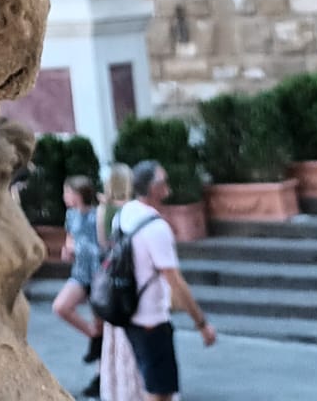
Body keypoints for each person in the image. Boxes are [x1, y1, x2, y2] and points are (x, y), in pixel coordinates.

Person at [97, 160, 216, 401]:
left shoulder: (124, 215)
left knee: (151, 385)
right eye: (163, 182)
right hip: (152, 320)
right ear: (154, 188)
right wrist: (201, 323)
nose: (167, 187)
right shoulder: (156, 227)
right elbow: (175, 281)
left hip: (130, 313)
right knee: (160, 392)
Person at [49, 172, 104, 376]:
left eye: (67, 191)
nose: (64, 195)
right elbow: (70, 239)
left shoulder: (97, 214)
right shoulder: (71, 215)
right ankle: (92, 335)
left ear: (78, 194)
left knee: (102, 324)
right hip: (80, 273)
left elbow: (102, 244)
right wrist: (67, 249)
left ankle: (101, 376)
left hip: (99, 275)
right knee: (61, 307)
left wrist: (79, 249)